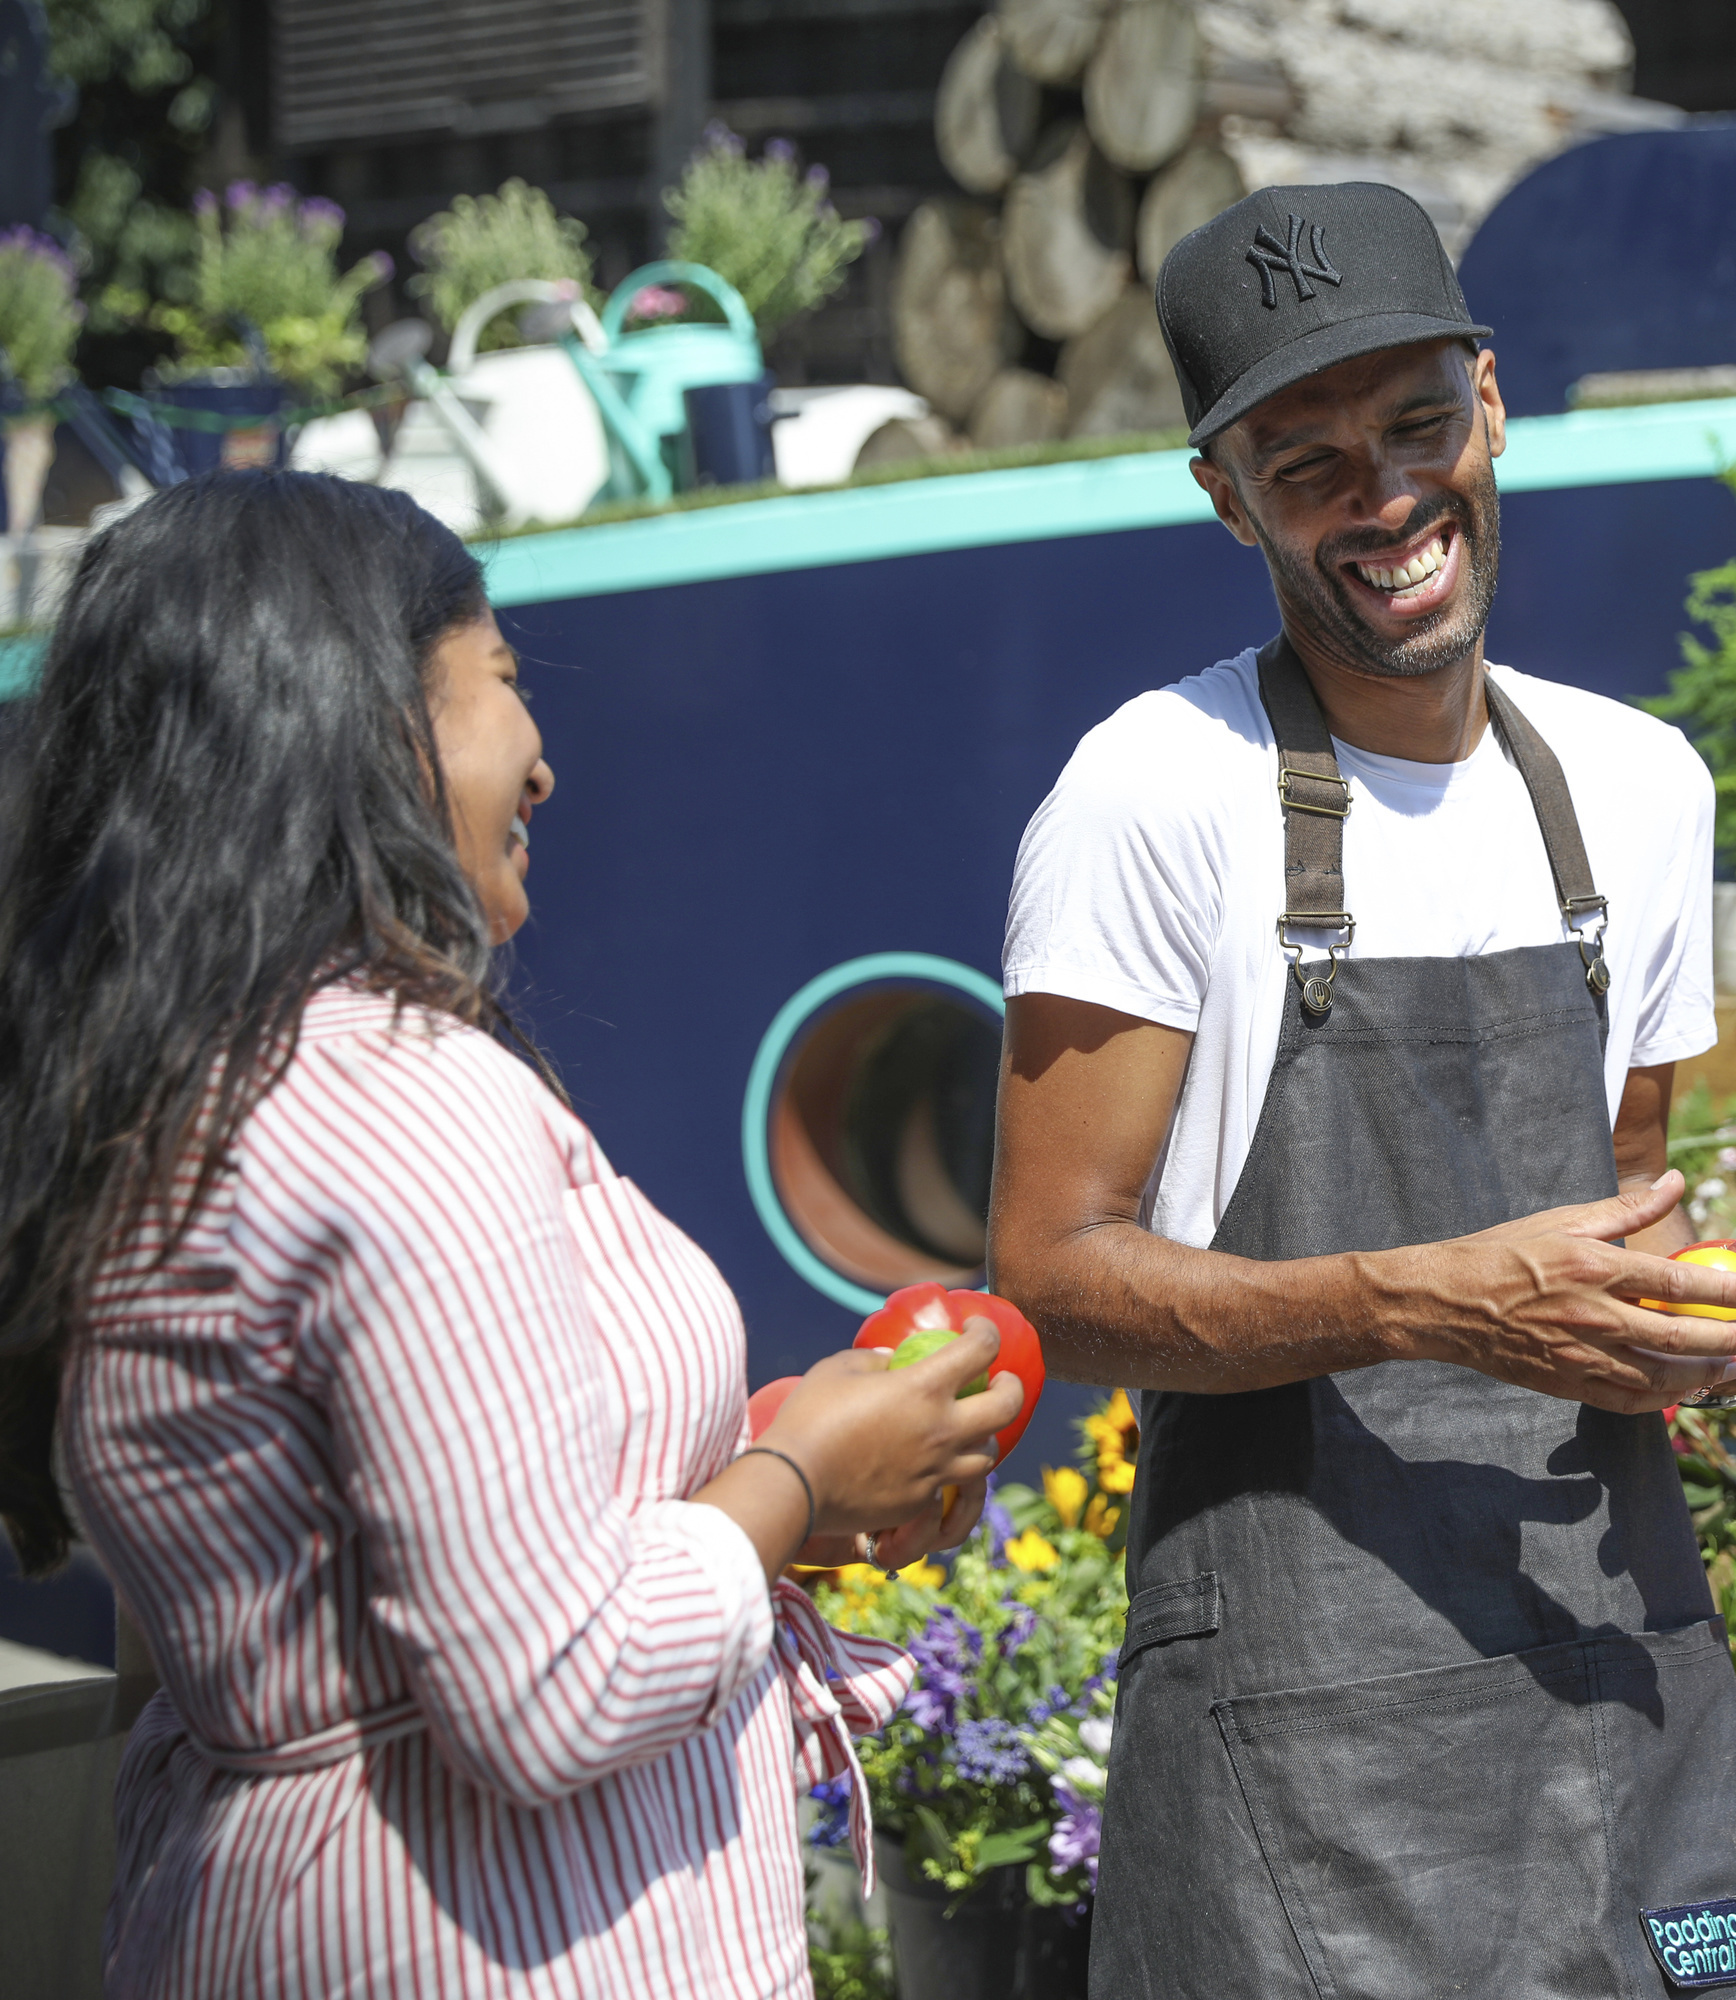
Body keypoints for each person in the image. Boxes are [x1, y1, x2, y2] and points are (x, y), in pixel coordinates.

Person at [0, 471, 1018, 1997]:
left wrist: (727, 1465)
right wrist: (798, 1480)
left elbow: (236, 1615)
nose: (542, 765)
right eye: (501, 683)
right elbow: (554, 1686)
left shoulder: (157, 1094)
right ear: (362, 728)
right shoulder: (403, 1101)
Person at [991, 183, 1736, 1997]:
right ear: (1229, 500)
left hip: (1619, 1672)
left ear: (1492, 404)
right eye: (1308, 463)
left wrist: (1719, 1325)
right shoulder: (1153, 794)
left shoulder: (1637, 789)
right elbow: (1052, 1279)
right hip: (1308, 1729)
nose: (1383, 498)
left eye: (1418, 425)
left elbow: (1631, 1223)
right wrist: (1416, 1299)